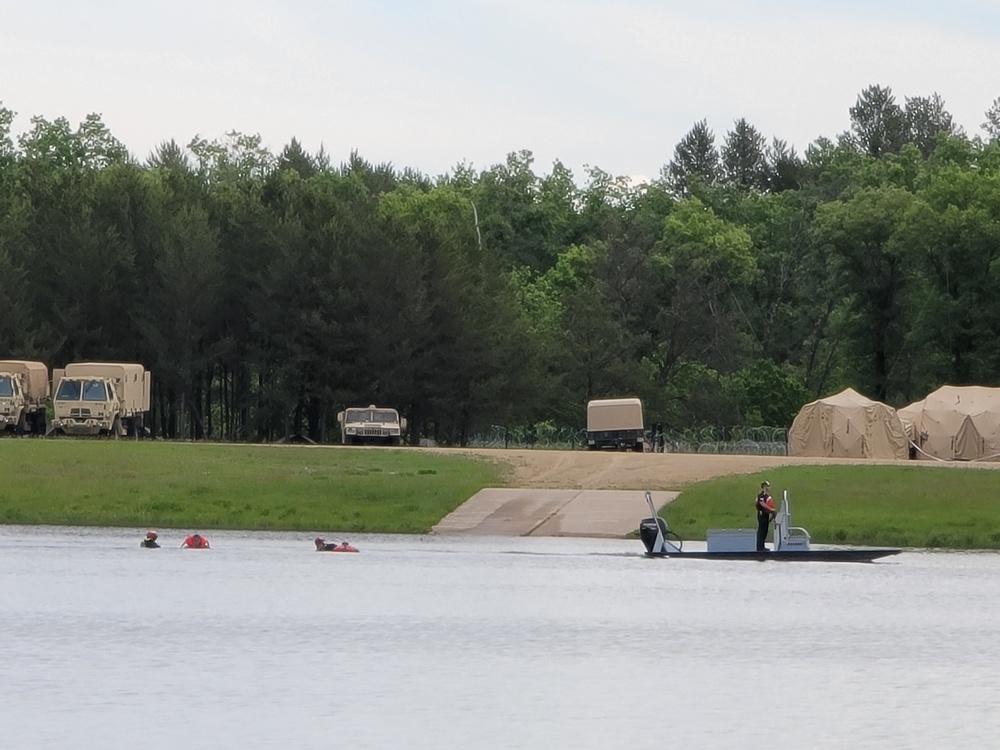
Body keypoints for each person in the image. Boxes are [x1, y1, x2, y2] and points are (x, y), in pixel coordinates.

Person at [755, 481, 776, 552]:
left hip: (766, 514)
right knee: (761, 530)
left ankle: (762, 546)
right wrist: (770, 509)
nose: (769, 487)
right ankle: (760, 548)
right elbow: (762, 503)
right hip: (762, 514)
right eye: (768, 486)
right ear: (764, 487)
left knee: (765, 531)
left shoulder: (766, 496)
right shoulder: (761, 495)